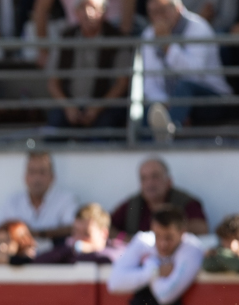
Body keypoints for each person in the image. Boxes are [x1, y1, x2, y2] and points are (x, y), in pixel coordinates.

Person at [142, 0, 233, 137]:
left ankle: (168, 132)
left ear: (177, 8)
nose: (158, 17)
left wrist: (167, 45)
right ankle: (149, 145)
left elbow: (194, 75)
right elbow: (150, 83)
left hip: (213, 99)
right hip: (173, 103)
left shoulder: (199, 28)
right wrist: (163, 103)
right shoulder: (149, 34)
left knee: (184, 87)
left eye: (162, 11)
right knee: (150, 111)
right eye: (153, 13)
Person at [107, 205, 202, 305]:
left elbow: (164, 296)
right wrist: (154, 269)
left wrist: (149, 264)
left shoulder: (192, 248)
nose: (163, 244)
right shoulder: (143, 240)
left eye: (169, 237)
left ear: (182, 232)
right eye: (157, 236)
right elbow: (114, 284)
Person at [46, 0, 131, 132]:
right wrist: (68, 107)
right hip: (69, 105)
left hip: (104, 107)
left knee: (105, 128)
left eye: (93, 8)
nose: (88, 13)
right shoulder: (65, 38)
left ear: (104, 12)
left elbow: (122, 83)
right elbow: (53, 83)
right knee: (54, 125)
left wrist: (97, 108)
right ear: (76, 12)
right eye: (83, 8)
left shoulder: (117, 40)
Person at [110, 157, 209, 237]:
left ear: (169, 181)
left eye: (155, 176)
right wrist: (125, 238)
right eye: (144, 178)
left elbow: (202, 229)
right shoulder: (132, 205)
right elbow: (106, 226)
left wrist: (171, 223)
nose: (149, 183)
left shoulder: (185, 202)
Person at [0, 151, 79, 241]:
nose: (37, 178)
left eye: (42, 172)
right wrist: (12, 228)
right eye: (32, 172)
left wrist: (38, 234)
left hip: (56, 250)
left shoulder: (66, 199)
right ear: (25, 176)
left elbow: (73, 228)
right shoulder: (13, 201)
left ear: (52, 177)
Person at [34, 202, 125, 263]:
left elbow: (109, 259)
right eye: (75, 232)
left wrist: (88, 249)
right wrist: (73, 249)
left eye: (86, 234)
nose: (79, 239)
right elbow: (38, 262)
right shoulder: (69, 250)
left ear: (104, 234)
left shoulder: (117, 249)